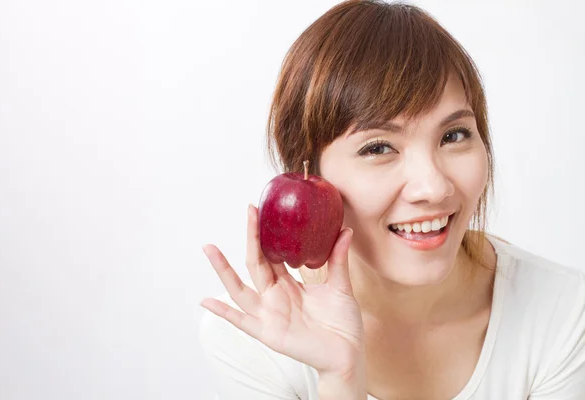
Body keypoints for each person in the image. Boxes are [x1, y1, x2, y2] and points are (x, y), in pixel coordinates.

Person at [198, 1, 585, 399]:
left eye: (453, 136)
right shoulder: (257, 337)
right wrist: (340, 377)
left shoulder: (562, 313)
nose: (433, 188)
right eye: (379, 147)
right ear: (307, 173)